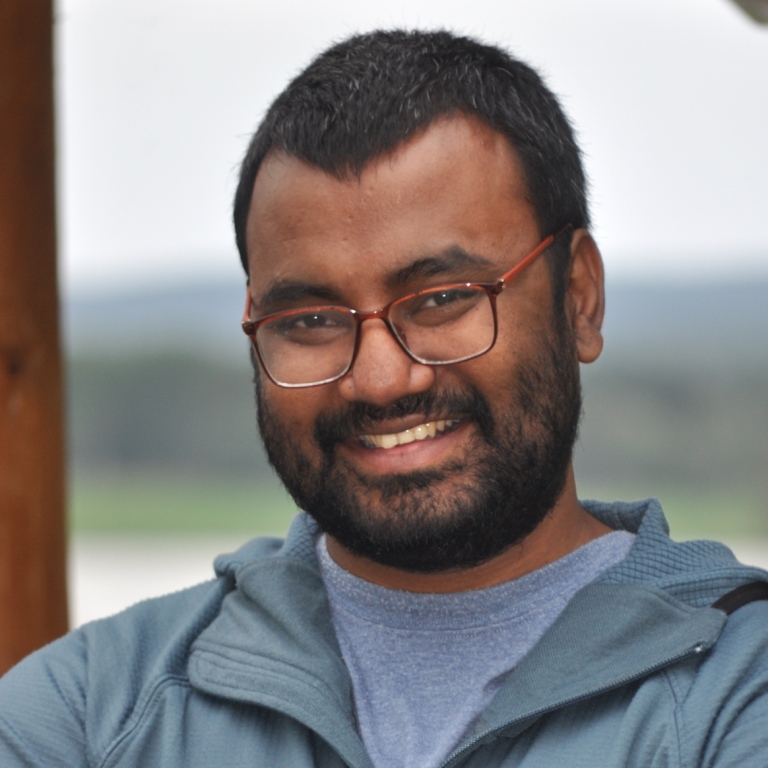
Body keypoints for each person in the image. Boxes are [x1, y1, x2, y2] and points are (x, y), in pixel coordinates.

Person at [1, 28, 767, 768]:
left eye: (441, 299)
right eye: (310, 319)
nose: (379, 378)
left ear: (579, 299)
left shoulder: (738, 691)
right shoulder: (87, 712)